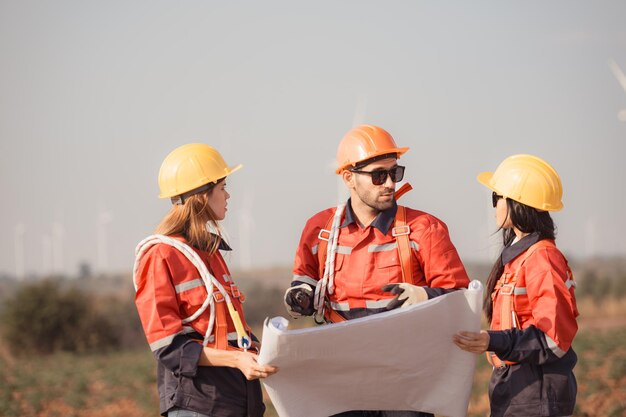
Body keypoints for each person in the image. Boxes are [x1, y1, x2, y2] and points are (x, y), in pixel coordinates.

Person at [284, 124, 470, 417]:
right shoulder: (320, 230)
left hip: (406, 377)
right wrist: (302, 295)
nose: (389, 184)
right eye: (378, 175)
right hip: (342, 374)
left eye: (395, 173)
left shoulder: (424, 229)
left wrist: (425, 295)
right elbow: (305, 277)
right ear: (348, 178)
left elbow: (460, 299)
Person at [133, 143, 278, 417]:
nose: (228, 195)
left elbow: (224, 331)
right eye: (222, 187)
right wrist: (237, 359)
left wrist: (259, 350)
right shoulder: (160, 255)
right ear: (201, 197)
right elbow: (169, 348)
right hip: (198, 404)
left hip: (236, 401)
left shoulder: (209, 252)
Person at [453, 154, 579, 417]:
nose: (495, 205)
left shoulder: (542, 258)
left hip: (536, 390)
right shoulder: (518, 256)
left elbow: (552, 339)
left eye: (496, 197)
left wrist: (492, 340)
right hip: (515, 386)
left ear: (516, 203)